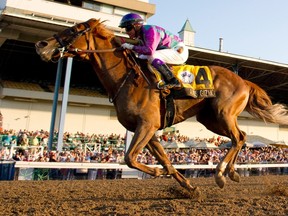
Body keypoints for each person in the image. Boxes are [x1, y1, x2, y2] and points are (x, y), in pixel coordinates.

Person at [119, 13, 189, 89]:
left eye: (128, 28)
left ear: (136, 26)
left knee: (152, 56)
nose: (127, 32)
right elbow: (141, 53)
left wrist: (131, 46)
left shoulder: (149, 30)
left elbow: (149, 50)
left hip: (179, 51)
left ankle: (173, 80)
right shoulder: (141, 35)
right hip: (170, 51)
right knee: (141, 57)